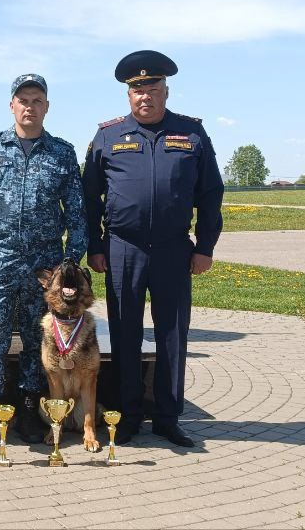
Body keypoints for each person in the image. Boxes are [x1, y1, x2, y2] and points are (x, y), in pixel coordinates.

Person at [82, 50, 224, 448]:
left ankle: (167, 417)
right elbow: (90, 198)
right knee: (125, 333)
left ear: (166, 90)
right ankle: (126, 416)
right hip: (123, 248)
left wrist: (205, 246)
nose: (145, 96)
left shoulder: (192, 133)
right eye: (137, 90)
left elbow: (211, 194)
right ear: (129, 95)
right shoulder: (108, 135)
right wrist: (96, 246)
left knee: (172, 334)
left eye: (153, 88)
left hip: (174, 249)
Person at [0, 74, 86, 453]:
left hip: (44, 265)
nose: (29, 107)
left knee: (38, 339)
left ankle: (31, 410)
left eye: (36, 100)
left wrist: (69, 263)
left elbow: (77, 213)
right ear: (11, 106)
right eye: (23, 100)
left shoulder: (62, 154)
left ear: (46, 107)